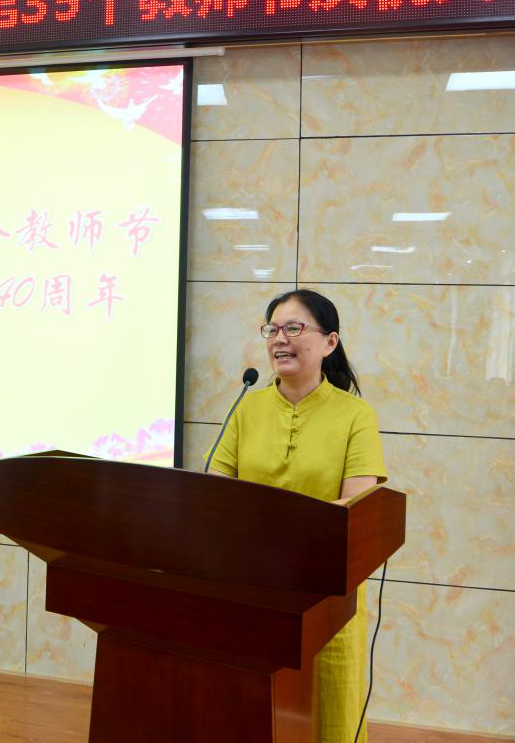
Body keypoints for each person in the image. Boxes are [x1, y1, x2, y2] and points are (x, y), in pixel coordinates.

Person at [205, 288, 387, 743]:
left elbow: (355, 506)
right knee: (252, 708)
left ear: (329, 342)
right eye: (272, 329)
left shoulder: (356, 415)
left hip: (327, 595)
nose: (279, 339)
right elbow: (214, 491)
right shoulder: (247, 407)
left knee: (329, 712)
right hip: (254, 588)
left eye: (294, 328)